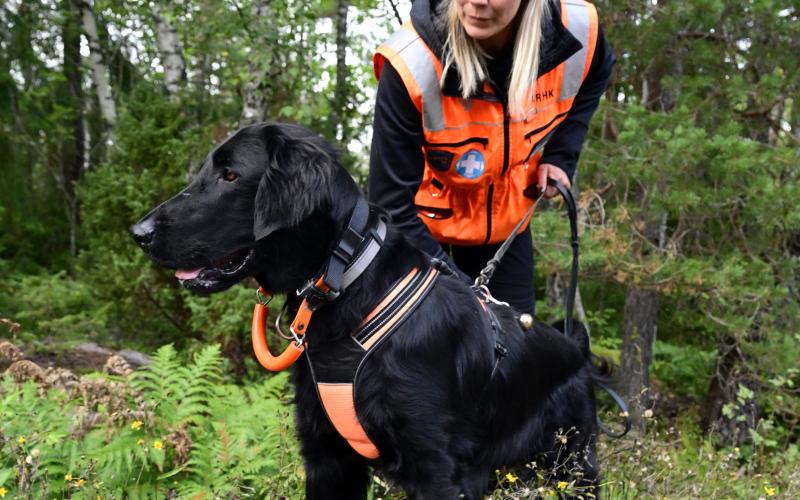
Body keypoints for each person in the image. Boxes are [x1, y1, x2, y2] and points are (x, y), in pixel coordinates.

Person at [368, 0, 615, 314]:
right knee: (427, 350)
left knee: (515, 350)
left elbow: (597, 72)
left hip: (505, 218)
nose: (477, 1)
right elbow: (390, 207)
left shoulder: (577, 29)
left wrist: (561, 154)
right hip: (420, 229)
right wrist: (469, 297)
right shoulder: (411, 61)